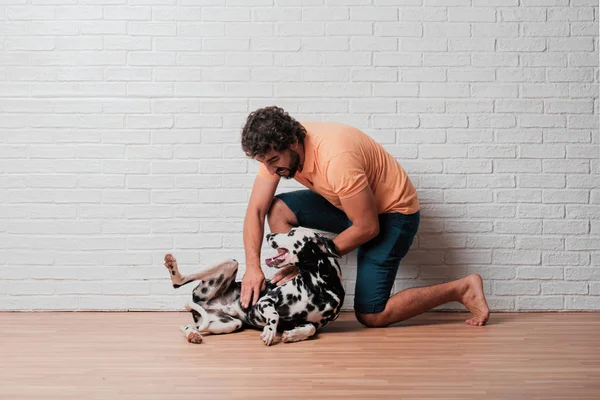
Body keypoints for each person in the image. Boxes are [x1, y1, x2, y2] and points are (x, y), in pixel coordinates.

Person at [239, 106, 490, 328]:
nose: (271, 170)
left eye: (273, 161)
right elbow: (256, 210)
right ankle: (300, 295)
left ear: (293, 141)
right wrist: (252, 266)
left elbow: (368, 227)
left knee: (372, 315)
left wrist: (311, 258)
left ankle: (462, 288)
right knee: (278, 208)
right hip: (349, 204)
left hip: (392, 215)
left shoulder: (336, 160)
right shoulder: (274, 149)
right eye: (264, 163)